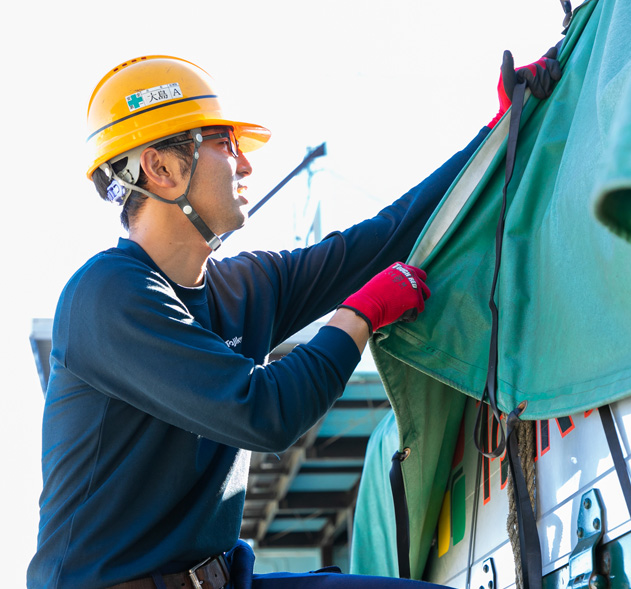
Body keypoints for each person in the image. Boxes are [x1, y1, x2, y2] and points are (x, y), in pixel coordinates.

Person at [28, 52, 560, 589]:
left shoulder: (241, 288)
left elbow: (380, 241)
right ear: (161, 169)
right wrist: (359, 315)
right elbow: (263, 413)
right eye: (223, 144)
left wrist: (497, 133)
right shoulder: (107, 296)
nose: (246, 164)